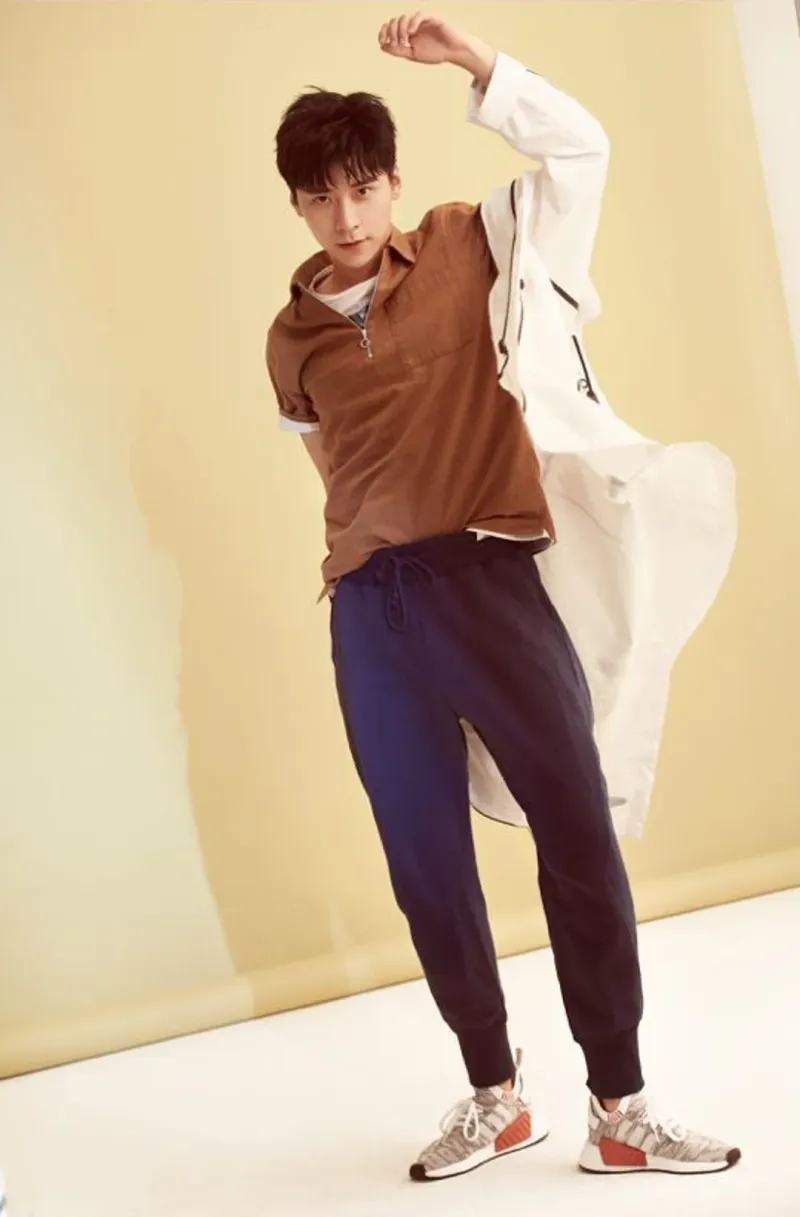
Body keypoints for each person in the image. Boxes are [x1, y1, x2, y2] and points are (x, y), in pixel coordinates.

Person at [266, 10, 741, 1183]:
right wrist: (365, 562)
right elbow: (330, 468)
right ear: (297, 206)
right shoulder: (288, 339)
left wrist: (478, 64)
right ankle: (493, 1093)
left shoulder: (470, 241)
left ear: (391, 183)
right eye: (321, 197)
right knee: (423, 863)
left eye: (362, 188)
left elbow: (580, 149)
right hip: (371, 614)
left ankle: (620, 1105)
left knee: (576, 833)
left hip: (489, 580)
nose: (346, 215)